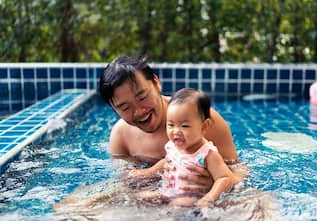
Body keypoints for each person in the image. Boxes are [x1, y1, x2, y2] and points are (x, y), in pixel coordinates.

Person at [99, 55, 248, 192]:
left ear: (156, 83)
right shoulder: (121, 136)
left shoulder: (200, 120)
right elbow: (125, 181)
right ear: (114, 109)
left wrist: (216, 184)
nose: (139, 111)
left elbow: (239, 170)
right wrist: (156, 170)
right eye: (125, 107)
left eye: (142, 97)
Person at [129, 88, 239, 207]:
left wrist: (208, 198)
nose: (176, 131)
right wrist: (148, 172)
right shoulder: (173, 146)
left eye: (184, 126)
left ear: (204, 126)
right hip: (168, 191)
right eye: (170, 125)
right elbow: (166, 162)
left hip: (191, 197)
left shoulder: (207, 154)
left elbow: (225, 178)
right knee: (137, 198)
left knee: (178, 205)